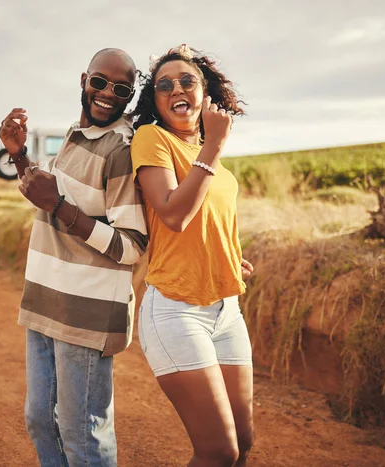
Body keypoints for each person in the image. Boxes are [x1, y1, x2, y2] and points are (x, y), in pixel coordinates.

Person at [0, 48, 147, 467]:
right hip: (46, 301)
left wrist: (62, 207)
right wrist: (19, 155)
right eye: (99, 82)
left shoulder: (120, 150)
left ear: (130, 95)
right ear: (84, 80)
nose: (107, 94)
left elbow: (132, 246)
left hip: (86, 314)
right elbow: (45, 194)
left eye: (121, 88)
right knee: (40, 421)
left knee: (82, 436)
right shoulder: (74, 135)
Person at [130, 44, 254, 467]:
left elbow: (207, 221)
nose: (176, 88)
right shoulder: (153, 139)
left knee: (243, 442)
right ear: (156, 101)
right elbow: (173, 214)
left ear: (206, 92)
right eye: (165, 85)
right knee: (218, 452)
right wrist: (215, 144)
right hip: (176, 311)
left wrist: (225, 257)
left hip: (226, 308)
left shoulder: (208, 155)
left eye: (187, 80)